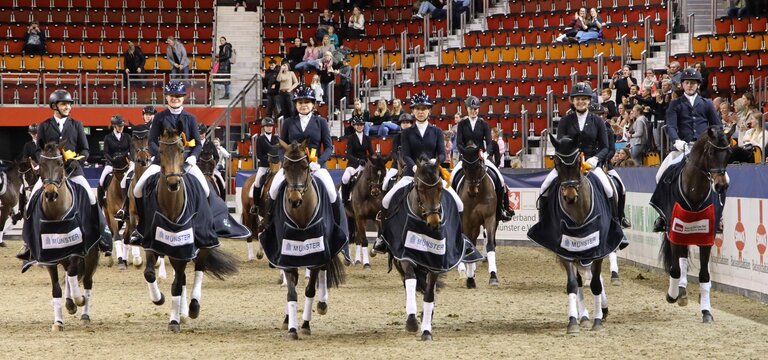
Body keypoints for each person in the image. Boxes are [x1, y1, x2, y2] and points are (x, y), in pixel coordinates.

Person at [17, 89, 110, 266]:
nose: (68, 107)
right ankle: (28, 245)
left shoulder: (76, 125)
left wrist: (76, 161)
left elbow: (85, 149)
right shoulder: (44, 125)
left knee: (92, 199)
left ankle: (103, 237)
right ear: (55, 106)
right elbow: (38, 150)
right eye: (64, 104)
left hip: (73, 172)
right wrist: (44, 162)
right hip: (50, 175)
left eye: (69, 104)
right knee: (29, 205)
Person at [373, 93, 463, 254]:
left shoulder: (436, 131)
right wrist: (415, 167)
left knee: (459, 203)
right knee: (386, 200)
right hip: (411, 174)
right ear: (413, 111)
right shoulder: (407, 133)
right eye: (417, 109)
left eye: (424, 109)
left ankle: (462, 240)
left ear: (429, 111)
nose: (421, 112)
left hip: (433, 176)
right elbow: (406, 154)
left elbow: (442, 154)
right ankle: (383, 238)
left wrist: (435, 162)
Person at [130, 81, 210, 243]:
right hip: (162, 161)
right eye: (172, 96)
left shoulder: (190, 118)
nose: (175, 99)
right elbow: (152, 141)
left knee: (206, 189)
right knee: (138, 189)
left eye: (178, 96)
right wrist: (158, 154)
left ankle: (205, 226)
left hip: (186, 161)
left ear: (183, 98)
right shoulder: (159, 117)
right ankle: (142, 227)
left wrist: (193, 156)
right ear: (166, 97)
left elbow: (197, 142)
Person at [539, 82, 622, 225]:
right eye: (577, 99)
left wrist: (596, 159)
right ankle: (543, 224)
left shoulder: (597, 121)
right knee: (544, 186)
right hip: (568, 165)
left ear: (589, 100)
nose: (580, 102)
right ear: (572, 101)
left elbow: (605, 147)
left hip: (590, 163)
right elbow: (560, 144)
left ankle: (616, 222)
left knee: (609, 188)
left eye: (584, 99)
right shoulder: (565, 121)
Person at [652, 68, 723, 232]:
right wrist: (677, 141)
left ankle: (719, 217)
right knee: (660, 175)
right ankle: (664, 215)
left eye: (693, 83)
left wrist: (714, 140)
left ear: (698, 85)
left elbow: (716, 125)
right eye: (687, 82)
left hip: (705, 148)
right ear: (682, 84)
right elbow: (670, 125)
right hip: (682, 147)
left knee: (722, 178)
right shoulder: (675, 104)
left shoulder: (706, 103)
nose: (690, 85)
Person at [264, 85, 338, 227]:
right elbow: (281, 146)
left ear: (313, 104)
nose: (303, 105)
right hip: (292, 167)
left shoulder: (321, 122)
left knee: (332, 193)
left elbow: (329, 147)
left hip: (316, 166)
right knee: (273, 190)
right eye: (300, 102)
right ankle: (268, 225)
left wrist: (320, 161)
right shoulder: (288, 122)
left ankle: (338, 229)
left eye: (307, 102)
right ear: (296, 105)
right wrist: (284, 162)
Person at [450, 96, 514, 222]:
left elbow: (489, 143)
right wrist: (465, 154)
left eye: (476, 109)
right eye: (471, 109)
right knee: (452, 179)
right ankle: (452, 210)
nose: (473, 111)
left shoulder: (484, 124)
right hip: (466, 159)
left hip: (480, 157)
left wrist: (486, 154)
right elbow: (459, 143)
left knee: (500, 180)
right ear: (467, 109)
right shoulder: (462, 124)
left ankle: (503, 209)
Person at [97, 115, 132, 210]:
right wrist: (112, 161)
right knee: (101, 181)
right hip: (112, 164)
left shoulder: (127, 137)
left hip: (126, 164)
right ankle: (100, 206)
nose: (121, 128)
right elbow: (106, 152)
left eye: (123, 126)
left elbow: (132, 150)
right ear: (114, 126)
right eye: (119, 126)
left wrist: (130, 159)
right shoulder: (108, 138)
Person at [247, 117, 280, 215]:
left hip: (277, 165)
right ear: (263, 127)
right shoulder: (260, 139)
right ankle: (255, 205)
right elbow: (259, 154)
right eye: (267, 126)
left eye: (271, 126)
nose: (269, 128)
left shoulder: (276, 139)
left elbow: (280, 152)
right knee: (257, 183)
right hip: (264, 166)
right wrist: (268, 162)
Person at [341, 115, 374, 203]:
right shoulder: (351, 138)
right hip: (353, 164)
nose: (360, 126)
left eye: (361, 124)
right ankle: (345, 197)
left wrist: (376, 159)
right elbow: (348, 154)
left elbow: (372, 153)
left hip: (365, 164)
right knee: (345, 178)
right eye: (358, 125)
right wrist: (358, 161)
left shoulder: (367, 138)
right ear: (354, 126)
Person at [382, 113, 414, 192]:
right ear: (400, 125)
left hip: (412, 166)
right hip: (397, 165)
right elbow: (393, 153)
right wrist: (399, 161)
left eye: (407, 122)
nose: (405, 124)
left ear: (411, 124)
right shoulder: (397, 137)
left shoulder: (415, 137)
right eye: (403, 123)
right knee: (385, 182)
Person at [199, 124, 226, 198]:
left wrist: (214, 164)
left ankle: (222, 199)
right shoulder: (194, 143)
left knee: (221, 181)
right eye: (199, 133)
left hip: (209, 168)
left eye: (202, 133)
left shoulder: (210, 144)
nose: (200, 135)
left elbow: (216, 157)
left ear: (205, 133)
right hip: (198, 167)